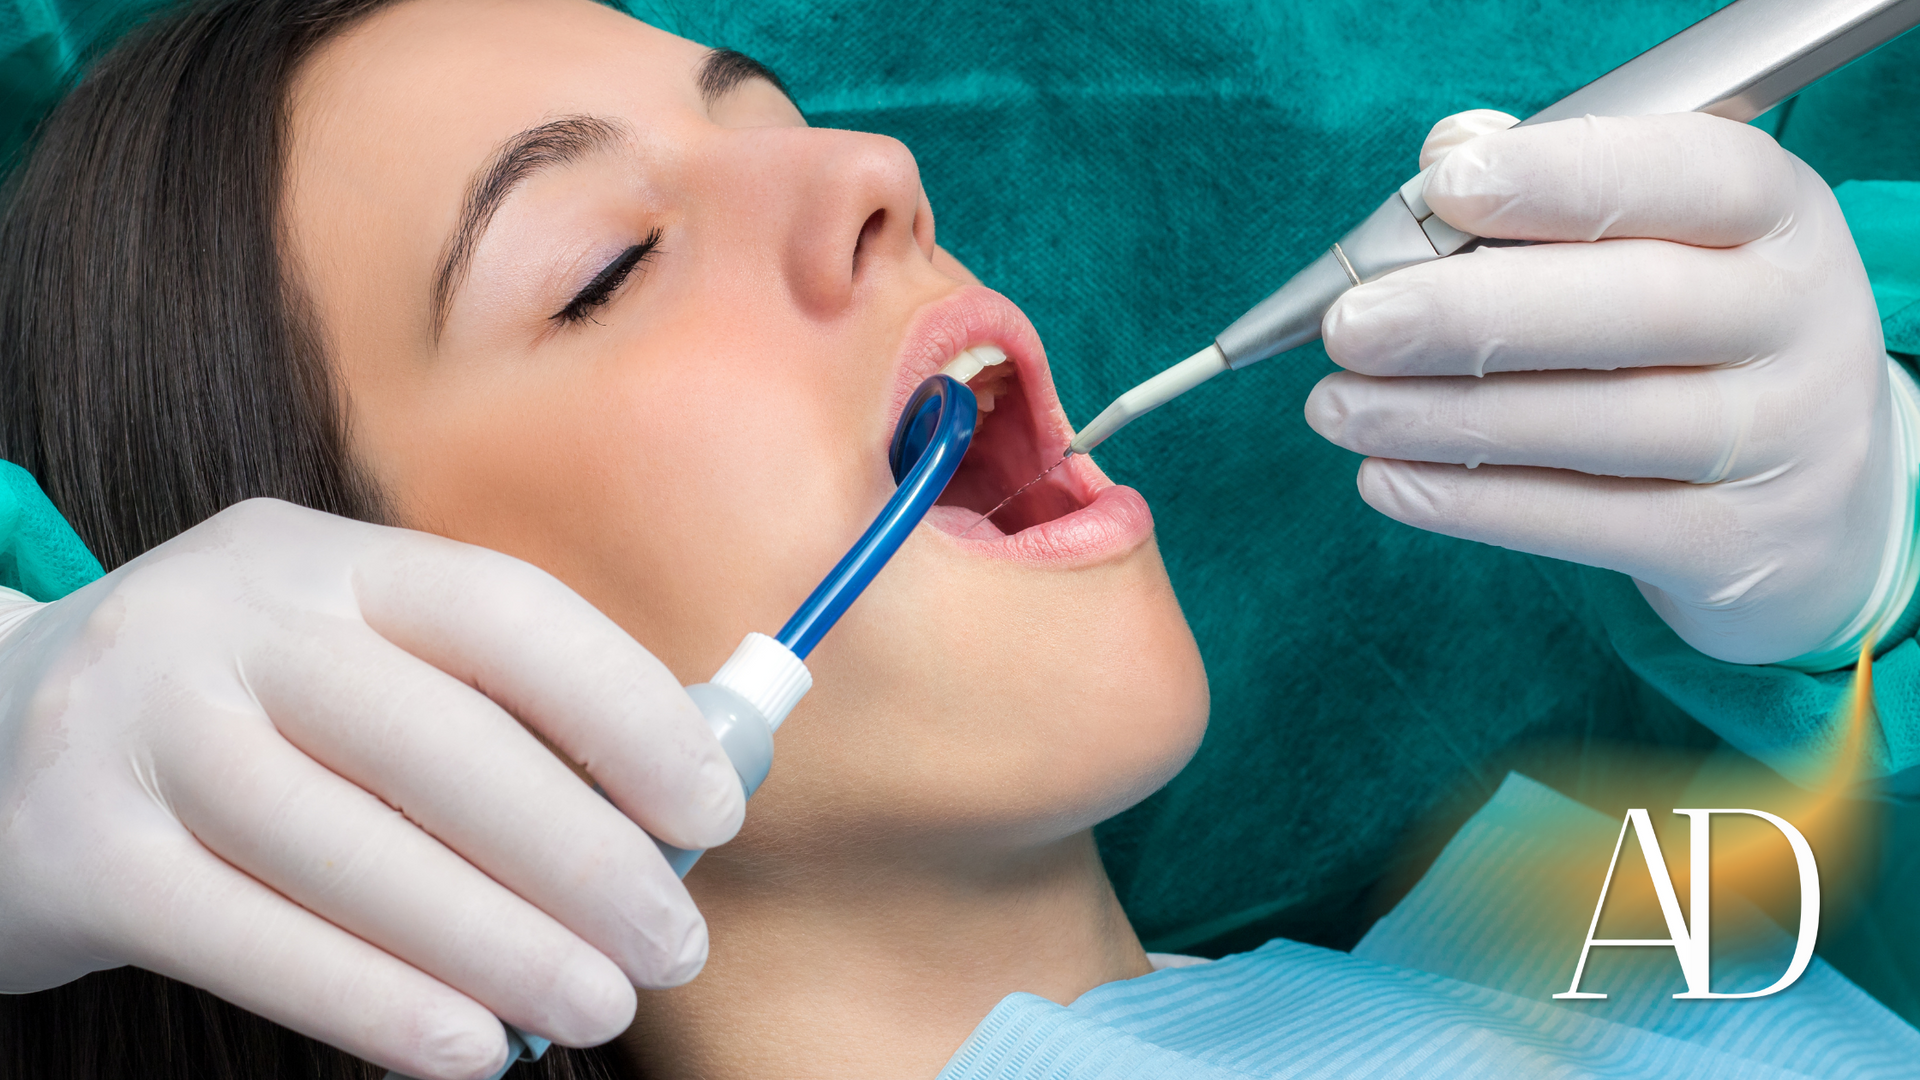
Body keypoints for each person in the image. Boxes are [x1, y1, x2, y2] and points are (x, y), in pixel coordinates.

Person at [2, 0, 1918, 1075]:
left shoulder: (1553, 934)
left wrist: (1869, 584)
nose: (869, 173)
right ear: (344, 689)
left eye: (785, 114)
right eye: (606, 267)